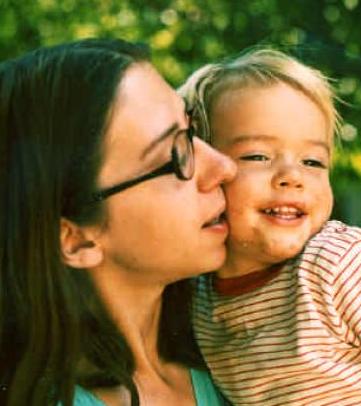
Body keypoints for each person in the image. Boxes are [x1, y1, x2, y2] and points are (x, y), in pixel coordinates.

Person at [0, 38, 237, 406]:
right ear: (76, 240)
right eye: (176, 157)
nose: (224, 166)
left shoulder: (246, 358)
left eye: (191, 131)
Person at [180, 48, 361, 405]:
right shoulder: (197, 297)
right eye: (258, 156)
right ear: (205, 166)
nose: (292, 176)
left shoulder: (342, 266)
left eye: (312, 161)